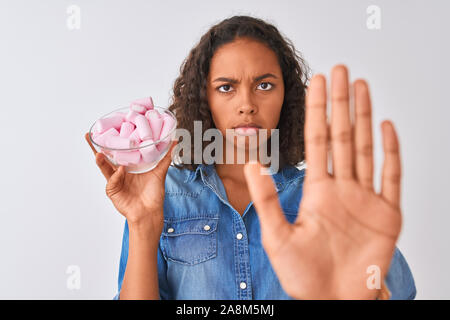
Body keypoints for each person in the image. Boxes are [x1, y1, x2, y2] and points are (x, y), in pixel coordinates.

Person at [85, 15, 416, 300]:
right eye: (226, 87)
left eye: (265, 85)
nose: (247, 104)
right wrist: (143, 224)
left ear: (286, 95)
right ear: (205, 99)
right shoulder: (164, 196)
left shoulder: (321, 197)